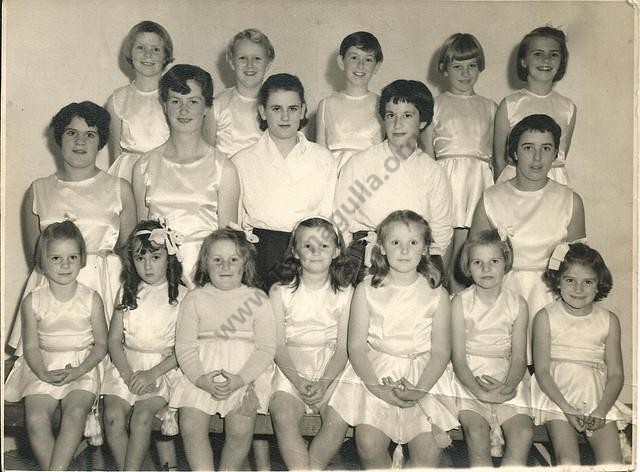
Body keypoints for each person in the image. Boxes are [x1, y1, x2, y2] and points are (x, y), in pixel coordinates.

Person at [329, 210, 458, 468]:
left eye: (413, 243)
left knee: (428, 454)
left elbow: (442, 352)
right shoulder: (366, 289)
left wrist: (419, 389)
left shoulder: (437, 294)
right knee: (368, 445)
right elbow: (355, 346)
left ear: (425, 249)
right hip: (375, 372)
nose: (404, 250)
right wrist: (377, 388)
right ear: (382, 249)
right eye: (395, 242)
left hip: (424, 376)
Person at [8, 101, 136, 352]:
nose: (80, 141)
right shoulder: (38, 190)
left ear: (100, 142)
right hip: (54, 292)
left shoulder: (119, 188)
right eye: (71, 133)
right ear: (59, 138)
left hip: (105, 287)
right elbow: (36, 258)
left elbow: (128, 252)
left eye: (90, 134)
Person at [470, 114, 585, 362]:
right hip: (502, 299)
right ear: (513, 153)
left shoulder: (570, 200)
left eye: (546, 148)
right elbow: (474, 261)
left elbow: (579, 268)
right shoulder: (491, 198)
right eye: (528, 148)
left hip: (552, 301)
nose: (537, 158)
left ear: (555, 153)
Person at [5, 221, 108, 470]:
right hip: (42, 364)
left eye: (72, 256)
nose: (65, 264)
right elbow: (29, 347)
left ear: (82, 259)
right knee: (36, 417)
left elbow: (101, 345)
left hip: (82, 366)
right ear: (43, 261)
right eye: (56, 258)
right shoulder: (33, 300)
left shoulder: (91, 299)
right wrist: (42, 373)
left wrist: (79, 370)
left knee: (74, 414)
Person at [171, 227, 276, 470]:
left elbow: (265, 348)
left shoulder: (257, 298)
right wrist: (200, 380)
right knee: (190, 425)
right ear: (205, 263)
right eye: (217, 260)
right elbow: (185, 347)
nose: (225, 266)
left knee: (240, 429)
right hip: (201, 374)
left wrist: (241, 379)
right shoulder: (194, 299)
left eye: (233, 260)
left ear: (245, 263)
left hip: (244, 376)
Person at [132, 64, 240, 287]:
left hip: (205, 277)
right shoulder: (143, 166)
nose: (183, 110)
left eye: (193, 101)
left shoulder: (224, 168)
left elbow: (227, 243)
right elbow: (142, 237)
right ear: (164, 106)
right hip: (160, 276)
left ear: (206, 107)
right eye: (175, 101)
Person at [334, 79, 453, 284]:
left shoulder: (433, 171)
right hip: (366, 257)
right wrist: (348, 264)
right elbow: (340, 218)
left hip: (415, 259)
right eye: (391, 115)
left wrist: (425, 262)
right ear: (383, 119)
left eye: (407, 115)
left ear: (422, 121)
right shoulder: (360, 163)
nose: (398, 124)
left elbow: (441, 229)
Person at [233, 73, 336, 291]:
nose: (285, 117)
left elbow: (328, 214)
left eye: (292, 108)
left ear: (303, 110)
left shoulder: (323, 158)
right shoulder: (242, 161)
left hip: (309, 254)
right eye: (276, 109)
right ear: (262, 111)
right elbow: (238, 221)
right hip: (260, 256)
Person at [532, 243, 629, 465]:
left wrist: (602, 410)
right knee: (568, 460)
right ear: (558, 281)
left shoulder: (609, 320)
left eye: (587, 282)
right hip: (556, 396)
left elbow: (616, 374)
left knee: (612, 462)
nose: (578, 289)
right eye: (570, 280)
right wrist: (566, 409)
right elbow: (543, 371)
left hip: (597, 396)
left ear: (598, 285)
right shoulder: (545, 317)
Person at [269, 217, 355, 469]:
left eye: (325, 246)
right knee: (282, 414)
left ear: (337, 251)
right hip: (290, 368)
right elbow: (278, 346)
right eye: (308, 246)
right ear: (295, 252)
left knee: (339, 417)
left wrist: (323, 383)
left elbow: (342, 349)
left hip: (331, 368)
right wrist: (297, 381)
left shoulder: (346, 292)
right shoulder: (279, 291)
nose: (316, 252)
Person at [101, 220, 186, 471]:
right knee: (113, 418)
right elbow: (114, 341)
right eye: (140, 258)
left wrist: (151, 373)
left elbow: (185, 348)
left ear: (168, 258)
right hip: (127, 366)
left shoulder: (183, 296)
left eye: (155, 257)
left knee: (141, 418)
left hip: (163, 370)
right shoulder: (127, 292)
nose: (147, 265)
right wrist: (128, 375)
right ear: (131, 261)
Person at [421, 33, 496, 291]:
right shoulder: (435, 105)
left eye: (471, 66)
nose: (465, 73)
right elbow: (428, 154)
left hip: (478, 181)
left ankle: (463, 310)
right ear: (444, 68)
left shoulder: (490, 107)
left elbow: (496, 156)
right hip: (446, 180)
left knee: (469, 253)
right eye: (457, 66)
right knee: (442, 248)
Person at [451, 229, 533, 466]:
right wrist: (480, 392)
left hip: (508, 376)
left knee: (523, 433)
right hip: (468, 377)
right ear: (468, 266)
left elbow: (519, 358)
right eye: (478, 262)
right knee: (477, 434)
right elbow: (457, 358)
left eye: (494, 261)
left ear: (505, 263)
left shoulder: (518, 304)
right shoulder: (460, 303)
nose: (486, 269)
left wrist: (508, 387)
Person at [493, 26, 575, 185]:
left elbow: (559, 154)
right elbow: (498, 159)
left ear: (562, 61)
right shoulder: (509, 105)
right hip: (515, 182)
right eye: (538, 54)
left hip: (553, 183)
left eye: (554, 54)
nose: (546, 60)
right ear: (523, 61)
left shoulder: (568, 107)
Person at [107, 21, 173, 182]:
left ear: (165, 56)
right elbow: (115, 152)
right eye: (140, 48)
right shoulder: (117, 99)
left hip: (166, 171)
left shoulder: (174, 97)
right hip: (127, 174)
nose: (148, 54)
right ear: (130, 52)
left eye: (156, 49)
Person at [316, 31, 384, 171]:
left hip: (370, 181)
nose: (360, 65)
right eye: (354, 57)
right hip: (334, 180)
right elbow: (319, 157)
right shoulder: (326, 105)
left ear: (376, 66)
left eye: (368, 59)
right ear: (341, 62)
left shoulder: (382, 104)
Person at [203, 28, 275, 159]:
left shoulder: (276, 104)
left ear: (268, 63)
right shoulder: (217, 105)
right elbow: (207, 155)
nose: (249, 65)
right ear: (231, 62)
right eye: (242, 58)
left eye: (257, 58)